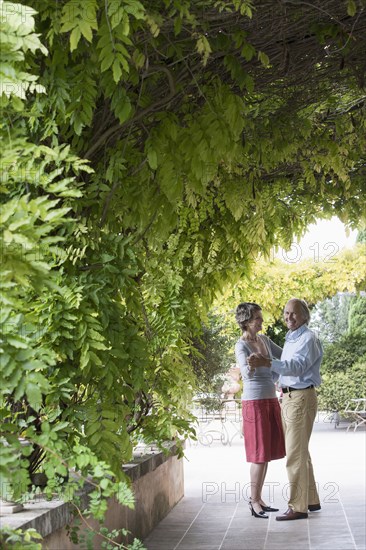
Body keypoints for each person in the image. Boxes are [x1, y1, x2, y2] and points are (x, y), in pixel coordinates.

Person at [248, 298, 323, 521]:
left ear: (304, 316)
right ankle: (310, 499)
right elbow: (284, 369)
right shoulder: (292, 337)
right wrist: (263, 362)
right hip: (290, 397)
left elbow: (297, 367)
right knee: (301, 452)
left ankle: (298, 507)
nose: (289, 317)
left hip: (300, 397)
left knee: (294, 455)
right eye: (286, 313)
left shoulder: (308, 338)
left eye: (294, 313)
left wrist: (267, 362)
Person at [234, 302, 285, 519]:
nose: (261, 321)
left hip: (270, 399)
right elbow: (246, 374)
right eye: (257, 318)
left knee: (266, 455)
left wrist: (267, 364)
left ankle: (260, 499)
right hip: (253, 402)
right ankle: (253, 501)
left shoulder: (263, 340)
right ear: (246, 321)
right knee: (258, 455)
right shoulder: (241, 345)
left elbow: (283, 356)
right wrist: (259, 364)